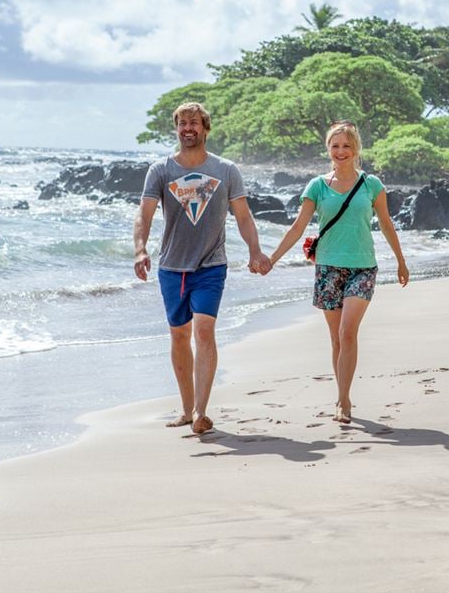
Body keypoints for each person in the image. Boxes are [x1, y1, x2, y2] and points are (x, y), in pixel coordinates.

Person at [133, 102, 271, 434]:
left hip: (211, 265)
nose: (187, 128)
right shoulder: (161, 170)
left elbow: (243, 216)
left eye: (194, 122)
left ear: (206, 128)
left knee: (204, 331)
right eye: (182, 123)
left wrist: (255, 251)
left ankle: (200, 412)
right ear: (176, 129)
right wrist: (140, 250)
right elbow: (145, 213)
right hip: (171, 267)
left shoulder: (226, 170)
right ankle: (185, 409)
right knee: (179, 335)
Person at [268, 121, 409, 424]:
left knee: (348, 332)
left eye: (347, 146)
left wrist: (401, 260)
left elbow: (386, 223)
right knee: (336, 339)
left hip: (363, 267)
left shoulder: (372, 185)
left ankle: (343, 401)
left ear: (356, 149)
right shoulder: (317, 186)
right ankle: (342, 393)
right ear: (328, 149)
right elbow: (297, 227)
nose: (341, 151)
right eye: (335, 146)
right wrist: (272, 259)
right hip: (328, 267)